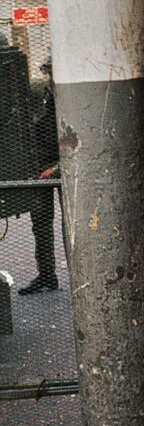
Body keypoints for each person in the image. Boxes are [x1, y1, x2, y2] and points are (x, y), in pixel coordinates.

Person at [18, 55, 60, 295]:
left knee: (73, 225)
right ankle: (46, 275)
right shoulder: (36, 94)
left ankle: (78, 272)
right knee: (41, 225)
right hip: (40, 168)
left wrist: (56, 168)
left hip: (61, 166)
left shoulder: (70, 96)